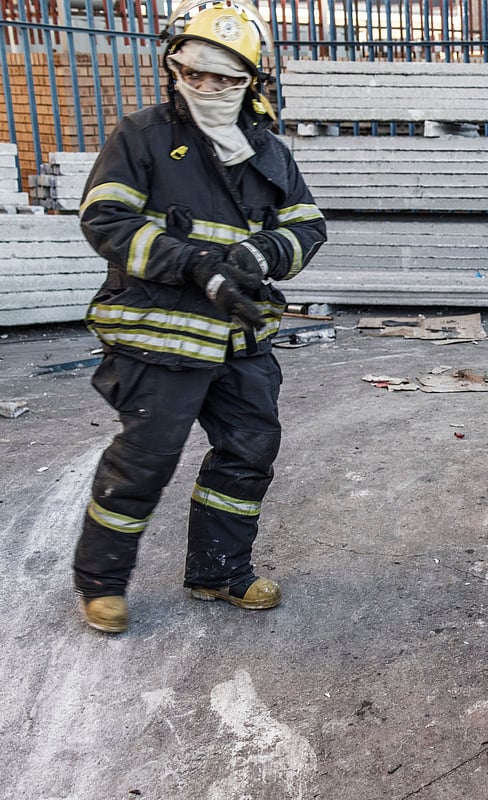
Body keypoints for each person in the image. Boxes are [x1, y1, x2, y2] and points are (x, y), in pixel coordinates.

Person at [73, 0, 326, 634]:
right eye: (196, 75)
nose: (209, 88)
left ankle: (217, 572)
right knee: (146, 457)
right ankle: (100, 584)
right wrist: (195, 267)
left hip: (240, 339)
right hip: (159, 336)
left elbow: (308, 226)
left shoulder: (267, 152)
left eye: (225, 79)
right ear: (175, 71)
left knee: (248, 451)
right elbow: (105, 220)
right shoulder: (143, 136)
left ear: (251, 84)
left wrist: (256, 252)